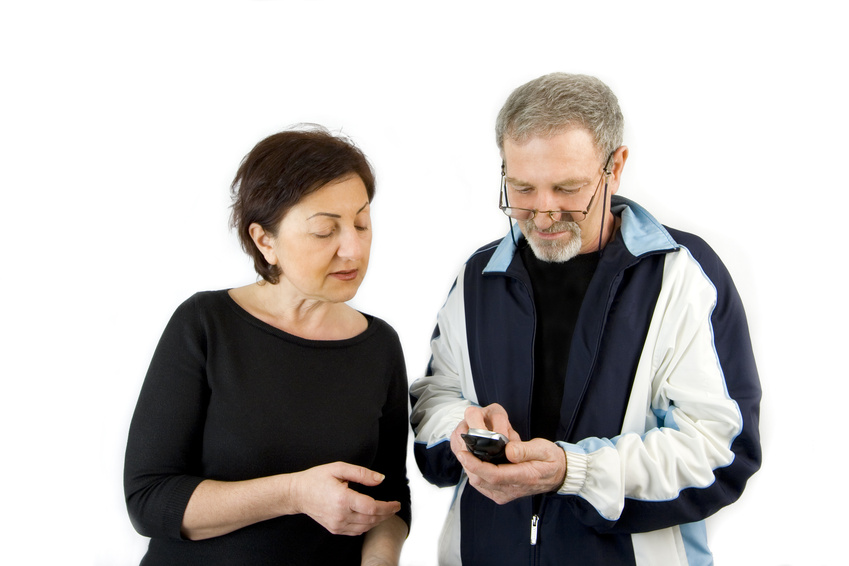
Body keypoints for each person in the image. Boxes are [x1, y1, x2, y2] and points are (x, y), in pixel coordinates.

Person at [409, 73, 761, 565]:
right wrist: (464, 430)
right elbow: (434, 402)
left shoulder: (684, 275)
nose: (545, 212)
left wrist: (572, 471)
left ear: (614, 167)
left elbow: (720, 450)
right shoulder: (478, 277)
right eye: (523, 188)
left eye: (568, 188)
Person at [124, 126, 410, 565]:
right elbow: (149, 499)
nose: (352, 249)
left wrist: (381, 559)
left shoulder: (379, 346)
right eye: (324, 231)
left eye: (361, 223)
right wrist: (293, 493)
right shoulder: (205, 324)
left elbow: (389, 497)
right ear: (265, 241)